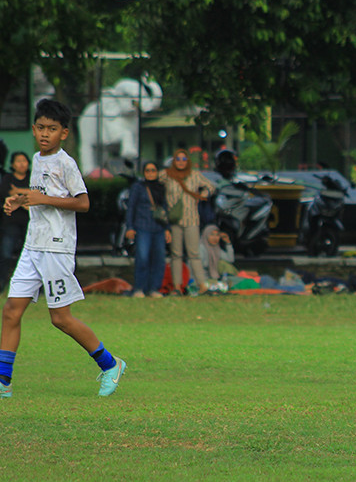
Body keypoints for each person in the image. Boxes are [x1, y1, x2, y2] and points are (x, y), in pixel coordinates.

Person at [0, 99, 126, 399]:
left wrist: (44, 200)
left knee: (60, 319)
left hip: (57, 248)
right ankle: (3, 381)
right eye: (41, 128)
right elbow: (40, 194)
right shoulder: (37, 159)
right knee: (10, 311)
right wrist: (20, 200)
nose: (45, 134)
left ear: (64, 133)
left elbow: (82, 202)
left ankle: (111, 364)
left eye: (52, 129)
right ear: (34, 130)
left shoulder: (66, 163)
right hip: (33, 246)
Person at [160, 148, 216, 295]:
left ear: (188, 161)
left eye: (184, 159)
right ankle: (177, 287)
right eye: (177, 159)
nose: (180, 162)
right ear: (173, 161)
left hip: (192, 219)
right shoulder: (167, 175)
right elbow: (153, 180)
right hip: (174, 220)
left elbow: (211, 186)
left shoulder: (194, 175)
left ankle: (202, 285)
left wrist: (202, 195)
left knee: (194, 254)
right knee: (176, 255)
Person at [124, 161, 172, 298]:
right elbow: (131, 207)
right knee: (142, 258)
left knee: (158, 259)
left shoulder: (161, 187)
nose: (150, 173)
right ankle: (139, 288)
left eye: (153, 170)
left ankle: (154, 289)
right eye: (148, 171)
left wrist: (167, 229)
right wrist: (130, 227)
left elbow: (165, 209)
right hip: (142, 226)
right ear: (144, 173)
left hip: (158, 227)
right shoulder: (138, 187)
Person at [0, 151, 31, 292]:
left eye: (24, 161)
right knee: (6, 253)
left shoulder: (33, 178)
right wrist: (26, 198)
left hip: (29, 224)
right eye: (18, 161)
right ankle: (2, 283)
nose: (21, 164)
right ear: (12, 164)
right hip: (11, 223)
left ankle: (30, 286)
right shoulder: (7, 178)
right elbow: (7, 196)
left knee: (29, 255)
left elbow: (37, 196)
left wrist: (18, 193)